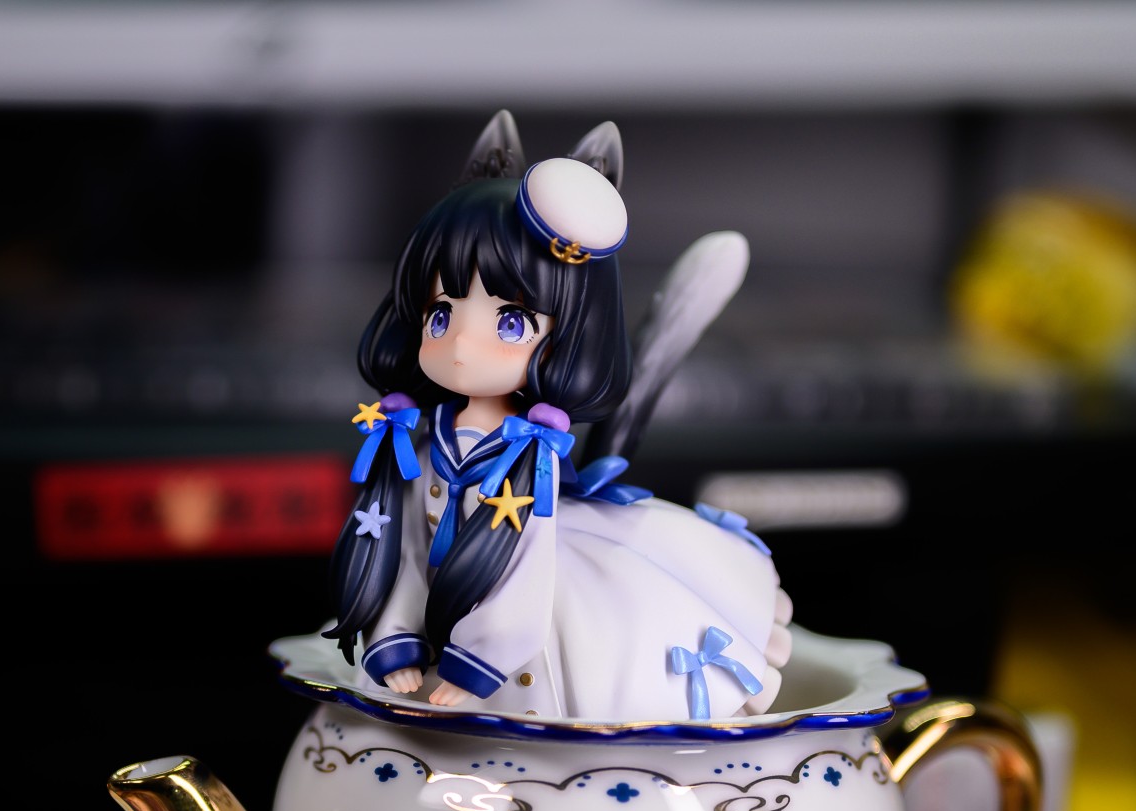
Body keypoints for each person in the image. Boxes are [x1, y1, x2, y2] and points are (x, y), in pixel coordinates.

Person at [323, 113, 792, 722]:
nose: (460, 344)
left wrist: (477, 661)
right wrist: (396, 639)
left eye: (509, 322)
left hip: (518, 635)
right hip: (443, 625)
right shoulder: (417, 442)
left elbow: (522, 571)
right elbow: (403, 548)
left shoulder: (526, 454)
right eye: (441, 313)